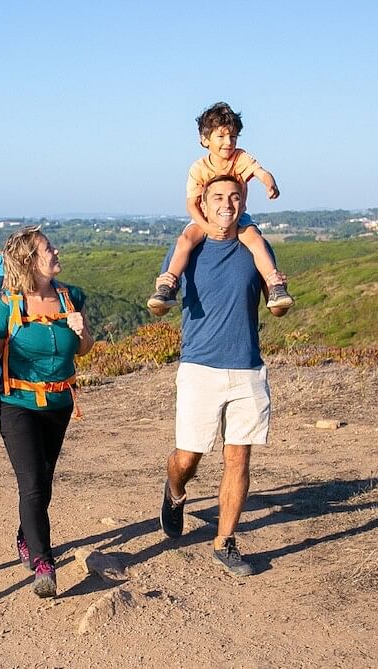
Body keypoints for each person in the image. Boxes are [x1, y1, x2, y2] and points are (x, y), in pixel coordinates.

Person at [157, 174, 291, 577]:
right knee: (188, 458)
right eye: (218, 197)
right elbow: (163, 296)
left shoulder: (256, 244)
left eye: (234, 196)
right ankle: (176, 491)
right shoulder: (189, 247)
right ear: (203, 201)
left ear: (243, 200)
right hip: (199, 368)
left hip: (248, 367)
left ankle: (225, 541)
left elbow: (277, 301)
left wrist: (279, 299)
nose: (227, 204)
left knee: (238, 456)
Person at [0, 226, 94, 599]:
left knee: (44, 481)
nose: (56, 250)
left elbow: (82, 350)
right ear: (28, 261)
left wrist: (82, 333)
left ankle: (26, 533)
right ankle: (43, 563)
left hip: (58, 404)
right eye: (48, 248)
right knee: (32, 482)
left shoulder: (72, 297)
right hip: (16, 404)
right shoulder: (7, 306)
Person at [148, 101, 293, 316]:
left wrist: (269, 183)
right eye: (221, 136)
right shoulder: (199, 168)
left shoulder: (240, 158)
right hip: (203, 218)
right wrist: (206, 227)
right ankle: (168, 286)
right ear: (205, 140)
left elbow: (261, 172)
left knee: (255, 240)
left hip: (239, 217)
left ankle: (274, 285)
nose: (228, 142)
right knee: (185, 241)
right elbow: (192, 205)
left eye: (233, 137)